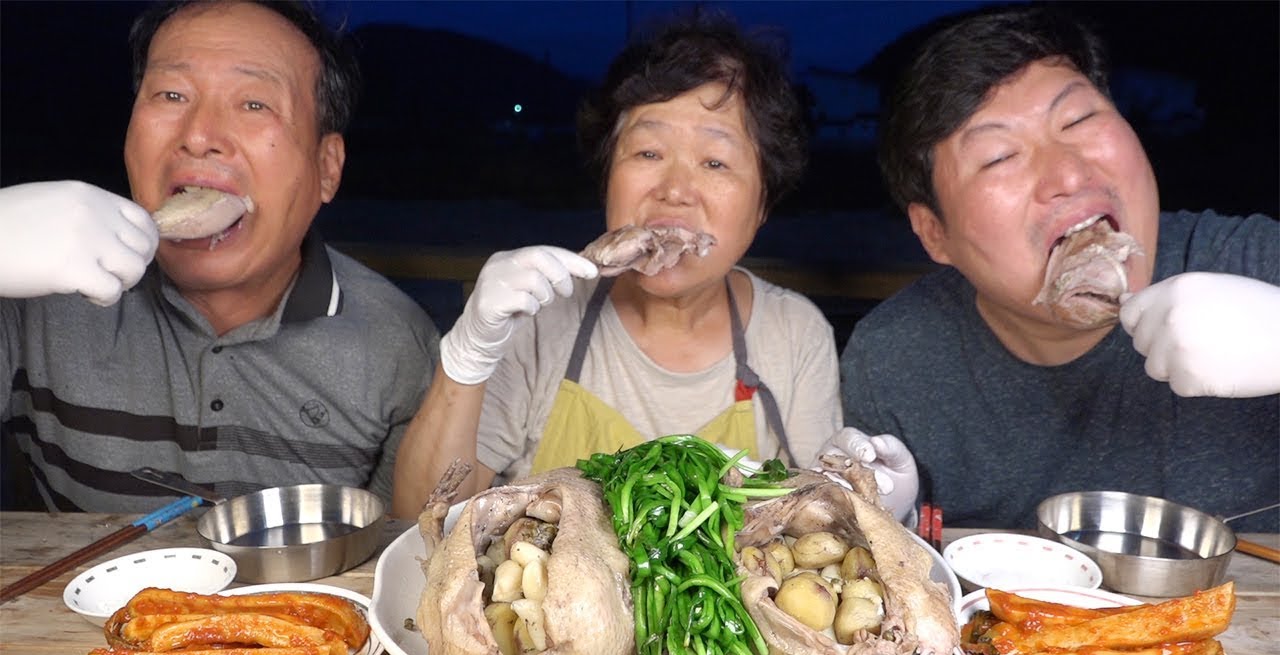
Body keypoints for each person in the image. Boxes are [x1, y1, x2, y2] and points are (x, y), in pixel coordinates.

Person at [839, 4, 1280, 531]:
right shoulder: (894, 360)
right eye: (1000, 157)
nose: (1068, 175)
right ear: (934, 232)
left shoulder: (1253, 263)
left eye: (1079, 120)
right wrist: (886, 524)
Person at [392, 14, 842, 517]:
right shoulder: (538, 317)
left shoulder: (795, 336)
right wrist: (468, 355)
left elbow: (820, 530)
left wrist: (870, 494)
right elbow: (419, 518)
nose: (674, 190)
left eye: (715, 162)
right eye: (648, 152)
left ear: (762, 206)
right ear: (608, 178)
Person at [0, 0, 439, 512]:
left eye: (254, 104)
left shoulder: (397, 344)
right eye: (171, 94)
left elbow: (405, 545)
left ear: (326, 167)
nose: (199, 136)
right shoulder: (38, 295)